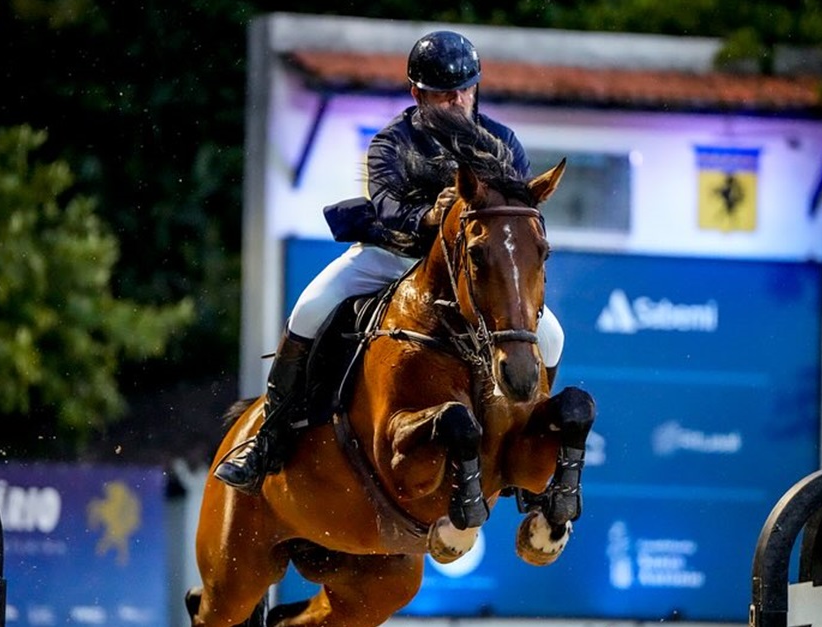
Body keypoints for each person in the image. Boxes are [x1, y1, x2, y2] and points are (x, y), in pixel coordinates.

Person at [214, 30, 565, 493]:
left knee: (552, 337)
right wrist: (429, 217)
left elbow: (513, 217)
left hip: (469, 271)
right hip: (392, 257)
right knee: (309, 310)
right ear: (417, 92)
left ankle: (524, 438)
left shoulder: (501, 143)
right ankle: (270, 438)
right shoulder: (391, 142)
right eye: (442, 92)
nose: (456, 99)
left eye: (464, 89)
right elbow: (387, 207)